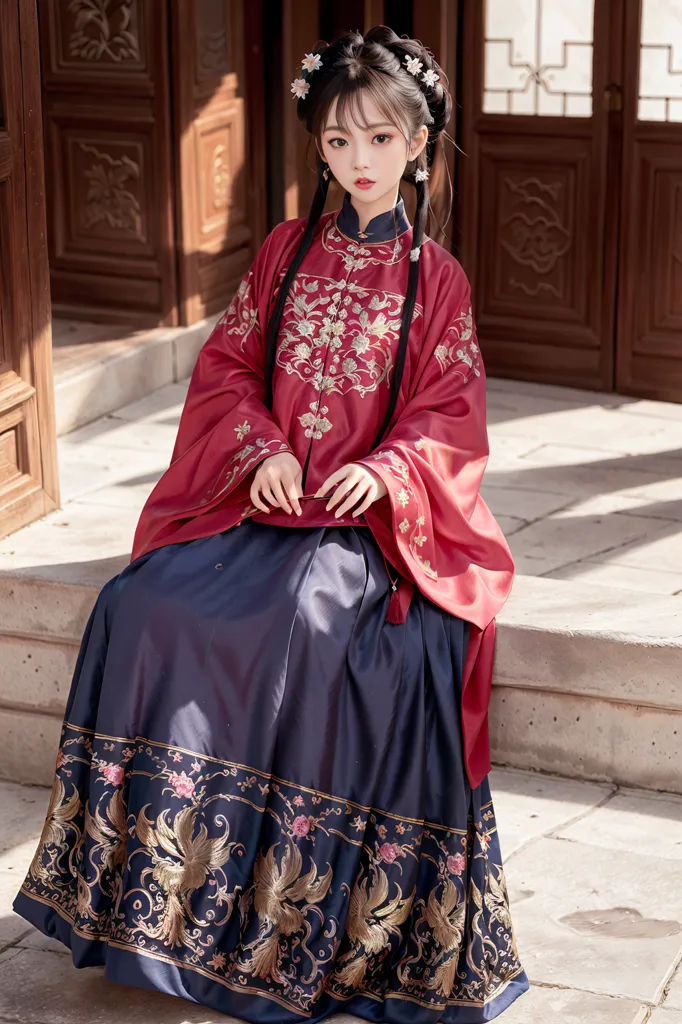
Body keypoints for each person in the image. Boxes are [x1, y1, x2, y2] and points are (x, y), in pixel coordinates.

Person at [13, 26, 529, 1023]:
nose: (359, 161)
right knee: (140, 601)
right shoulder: (286, 252)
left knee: (303, 616)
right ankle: (154, 902)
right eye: (338, 143)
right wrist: (260, 448)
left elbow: (449, 416)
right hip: (261, 501)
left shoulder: (438, 279)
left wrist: (385, 472)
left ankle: (270, 919)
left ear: (418, 145)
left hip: (361, 531)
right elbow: (227, 370)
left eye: (380, 139)